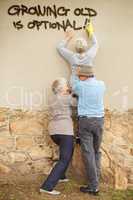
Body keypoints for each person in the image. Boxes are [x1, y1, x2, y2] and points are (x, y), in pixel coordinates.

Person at [71, 66, 106, 195]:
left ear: (84, 76)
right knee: (96, 152)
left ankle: (93, 186)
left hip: (85, 121)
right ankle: (96, 182)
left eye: (80, 75)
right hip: (99, 120)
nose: (79, 77)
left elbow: (73, 89)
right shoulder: (102, 84)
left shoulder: (80, 85)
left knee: (88, 153)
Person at [40, 78, 75, 195]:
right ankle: (47, 187)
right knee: (64, 159)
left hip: (53, 131)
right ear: (62, 88)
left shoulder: (51, 98)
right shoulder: (66, 98)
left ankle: (61, 175)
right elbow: (77, 103)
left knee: (67, 152)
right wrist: (71, 91)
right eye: (66, 85)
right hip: (65, 130)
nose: (68, 86)